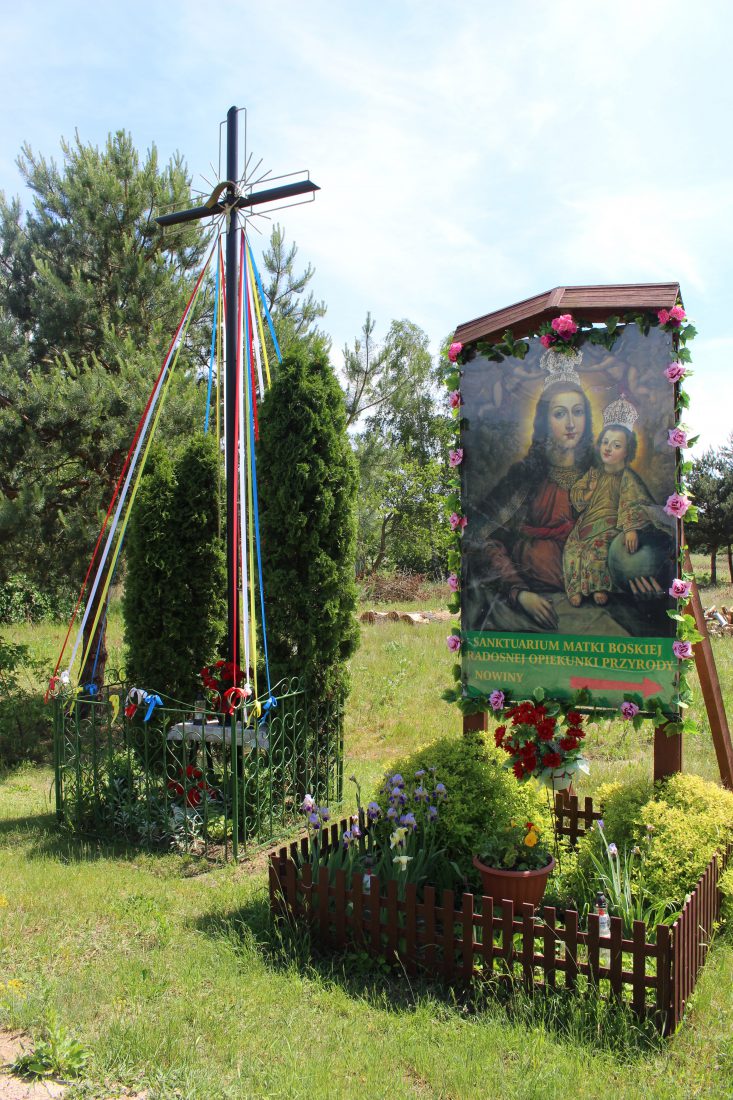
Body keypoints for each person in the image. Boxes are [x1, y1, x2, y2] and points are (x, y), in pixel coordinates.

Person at [465, 349, 594, 631]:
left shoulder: (600, 475)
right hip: (534, 602)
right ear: (545, 421)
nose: (571, 424)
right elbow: (481, 538)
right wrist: (519, 593)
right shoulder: (526, 477)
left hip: (593, 601)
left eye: (578, 412)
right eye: (560, 414)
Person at [562, 397, 661, 607]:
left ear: (627, 451)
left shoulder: (628, 478)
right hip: (587, 524)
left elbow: (636, 503)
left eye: (616, 445)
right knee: (572, 548)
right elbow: (576, 495)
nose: (608, 448)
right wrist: (587, 493)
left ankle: (599, 587)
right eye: (605, 443)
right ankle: (576, 588)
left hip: (612, 525)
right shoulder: (593, 474)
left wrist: (630, 528)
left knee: (596, 549)